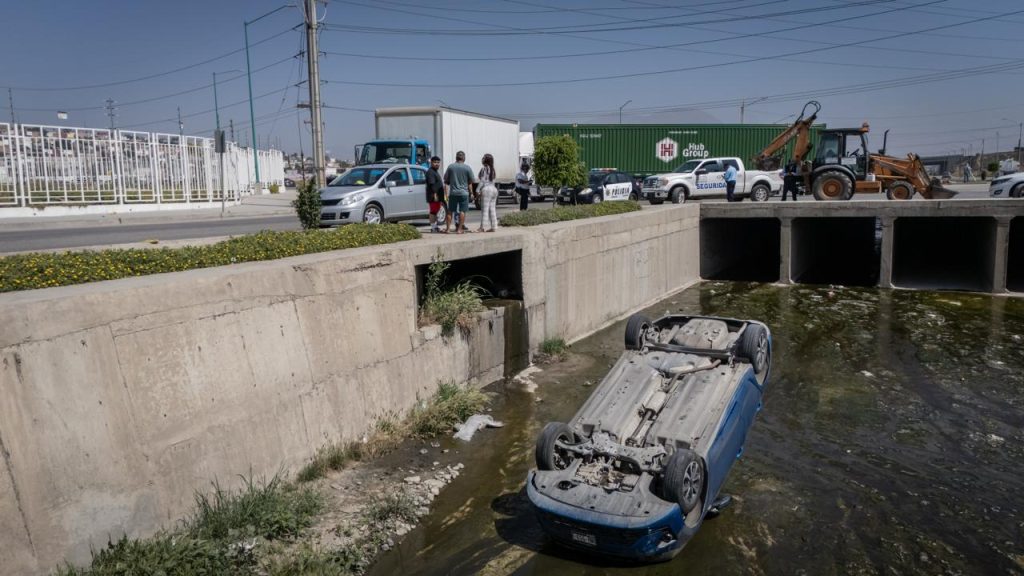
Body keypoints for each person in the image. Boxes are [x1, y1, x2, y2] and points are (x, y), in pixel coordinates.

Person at [443, 151, 477, 234]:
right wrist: (471, 193)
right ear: (464, 158)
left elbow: (446, 180)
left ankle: (447, 229)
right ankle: (459, 229)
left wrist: (446, 194)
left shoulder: (450, 167)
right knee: (462, 211)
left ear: (456, 157)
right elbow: (471, 181)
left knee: (450, 211)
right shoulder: (467, 168)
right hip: (464, 193)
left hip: (453, 193)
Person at [477, 154, 499, 232]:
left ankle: (482, 227)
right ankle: (494, 226)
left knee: (485, 209)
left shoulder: (484, 168)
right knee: (492, 209)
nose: (482, 159)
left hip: (486, 189)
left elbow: (482, 180)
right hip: (494, 189)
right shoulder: (493, 169)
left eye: (483, 158)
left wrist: (477, 190)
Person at [426, 156, 445, 233]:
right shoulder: (430, 172)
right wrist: (435, 195)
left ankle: (435, 226)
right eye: (435, 162)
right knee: (433, 211)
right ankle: (433, 227)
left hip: (437, 195)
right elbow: (432, 185)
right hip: (434, 195)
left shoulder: (435, 171)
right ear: (431, 163)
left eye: (438, 162)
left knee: (436, 211)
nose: (437, 164)